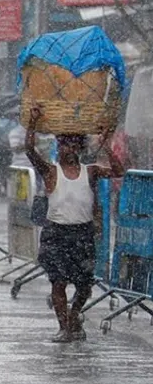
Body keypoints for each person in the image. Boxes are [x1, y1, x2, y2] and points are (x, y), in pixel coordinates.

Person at [24, 107, 125, 342]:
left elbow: (119, 171)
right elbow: (29, 150)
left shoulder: (90, 172)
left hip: (82, 234)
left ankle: (74, 314)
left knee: (84, 285)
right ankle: (64, 327)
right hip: (56, 234)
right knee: (58, 282)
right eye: (63, 145)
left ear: (79, 149)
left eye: (71, 146)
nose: (66, 150)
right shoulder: (50, 171)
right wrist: (32, 122)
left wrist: (106, 145)